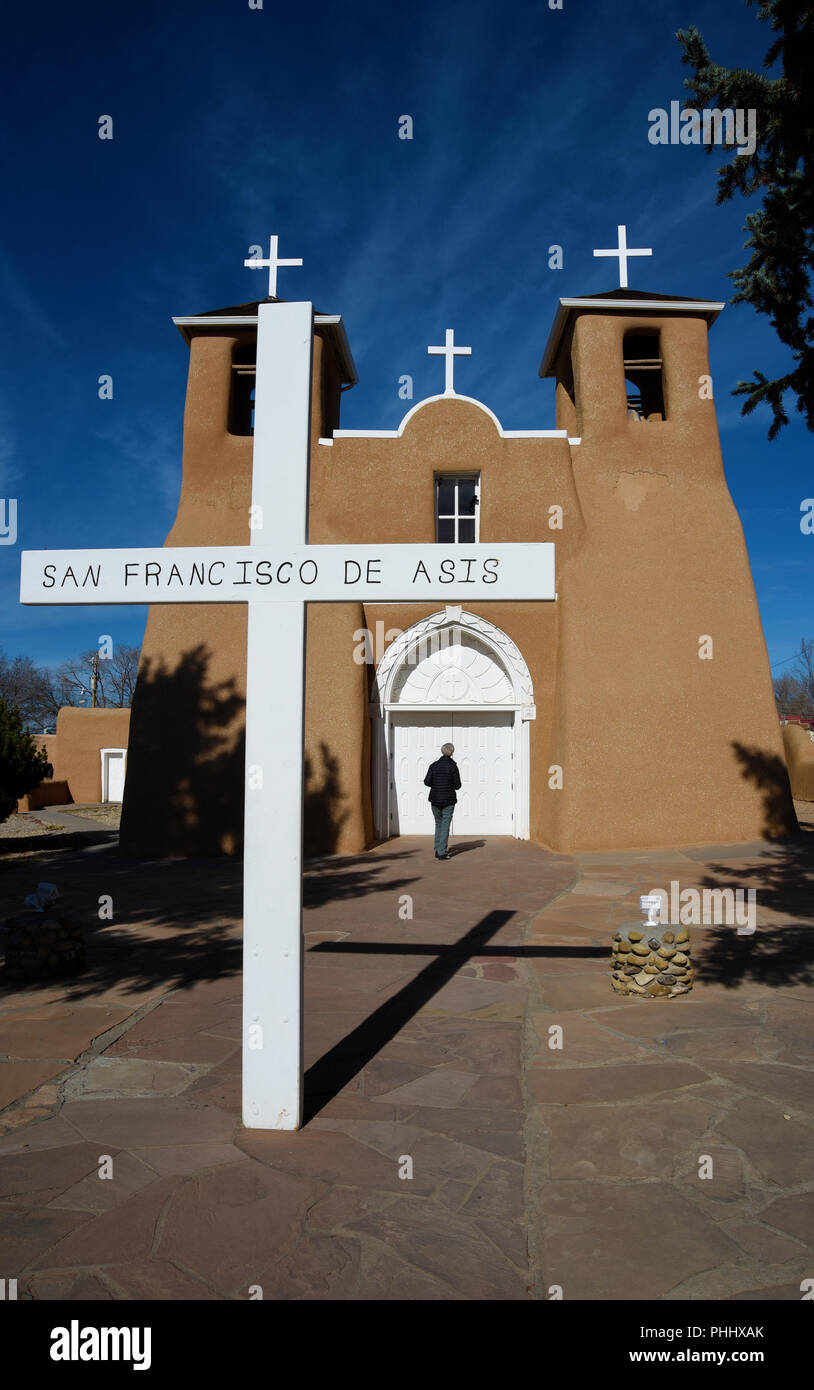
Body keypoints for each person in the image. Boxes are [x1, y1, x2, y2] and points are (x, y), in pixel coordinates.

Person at [423, 742, 461, 860]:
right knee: (445, 825)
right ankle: (441, 852)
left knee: (438, 823)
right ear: (452, 752)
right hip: (448, 800)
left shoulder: (433, 765)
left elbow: (426, 782)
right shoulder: (453, 766)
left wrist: (436, 784)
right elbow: (457, 785)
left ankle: (437, 849)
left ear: (442, 751)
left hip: (435, 799)